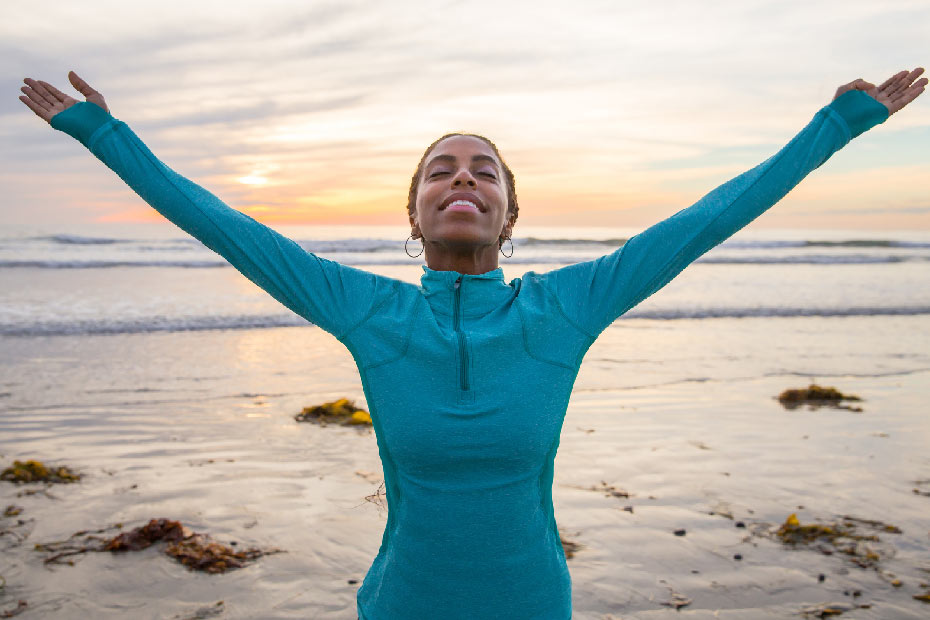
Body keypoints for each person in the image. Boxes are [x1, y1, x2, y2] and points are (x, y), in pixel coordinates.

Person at [19, 67, 926, 619]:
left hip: (533, 605)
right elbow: (224, 226)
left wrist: (835, 127)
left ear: (508, 209)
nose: (463, 179)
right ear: (414, 214)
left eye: (483, 170)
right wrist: (105, 135)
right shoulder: (366, 310)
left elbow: (707, 217)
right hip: (401, 607)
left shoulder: (567, 308)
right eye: (440, 171)